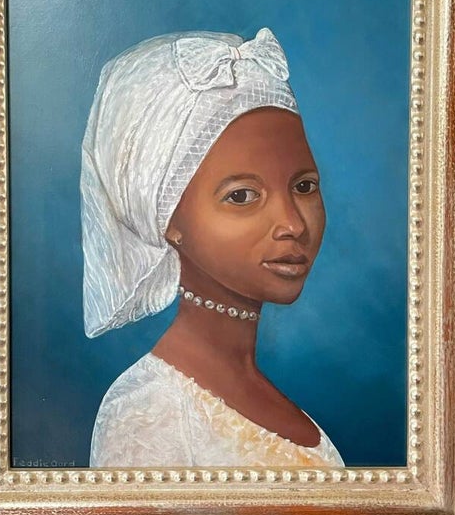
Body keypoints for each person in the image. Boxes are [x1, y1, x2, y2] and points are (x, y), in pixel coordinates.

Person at [81, 28, 344, 467]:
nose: (293, 224)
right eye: (241, 196)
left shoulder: (257, 391)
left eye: (304, 187)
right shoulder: (146, 416)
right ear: (168, 220)